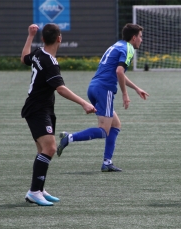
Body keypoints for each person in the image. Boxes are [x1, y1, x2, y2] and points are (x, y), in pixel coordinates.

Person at [21, 23, 96, 206]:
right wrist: (84, 103)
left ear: (43, 39)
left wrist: (30, 35)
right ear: (60, 38)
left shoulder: (39, 53)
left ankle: (38, 189)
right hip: (38, 109)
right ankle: (33, 192)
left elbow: (24, 58)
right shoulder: (50, 62)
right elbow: (60, 89)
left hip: (41, 108)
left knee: (43, 150)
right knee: (50, 148)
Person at [56, 23, 149, 172]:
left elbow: (118, 72)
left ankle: (107, 162)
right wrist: (125, 94)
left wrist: (136, 88)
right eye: (140, 37)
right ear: (133, 37)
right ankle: (69, 137)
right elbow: (119, 72)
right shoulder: (129, 48)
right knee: (103, 131)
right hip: (104, 89)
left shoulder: (117, 45)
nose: (141, 40)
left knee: (116, 125)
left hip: (94, 87)